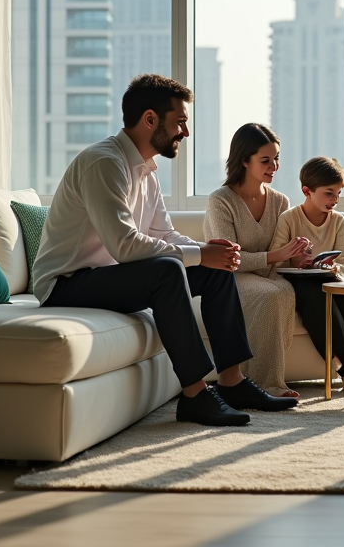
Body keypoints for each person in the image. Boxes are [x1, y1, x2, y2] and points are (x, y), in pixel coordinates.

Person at [31, 75, 297, 428]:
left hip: (110, 276)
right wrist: (199, 254)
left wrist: (207, 251)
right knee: (167, 271)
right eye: (180, 122)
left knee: (217, 271)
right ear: (151, 119)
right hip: (66, 284)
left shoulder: (147, 172)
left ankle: (232, 383)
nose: (184, 133)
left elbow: (162, 233)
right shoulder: (104, 163)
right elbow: (125, 245)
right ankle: (195, 395)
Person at [203, 123, 310, 398]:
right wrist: (277, 255)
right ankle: (267, 384)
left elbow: (283, 256)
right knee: (270, 295)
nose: (274, 166)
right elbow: (228, 260)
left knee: (284, 289)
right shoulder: (221, 201)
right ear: (243, 160)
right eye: (265, 160)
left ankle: (266, 379)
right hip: (228, 278)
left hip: (270, 276)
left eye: (276, 159)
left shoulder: (280, 201)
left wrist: (299, 256)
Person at [270, 157, 344, 397]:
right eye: (328, 193)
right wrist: (296, 260)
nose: (334, 199)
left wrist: (334, 269)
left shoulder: (338, 222)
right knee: (317, 296)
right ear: (307, 191)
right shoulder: (289, 218)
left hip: (327, 279)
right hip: (298, 281)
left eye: (338, 193)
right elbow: (276, 260)